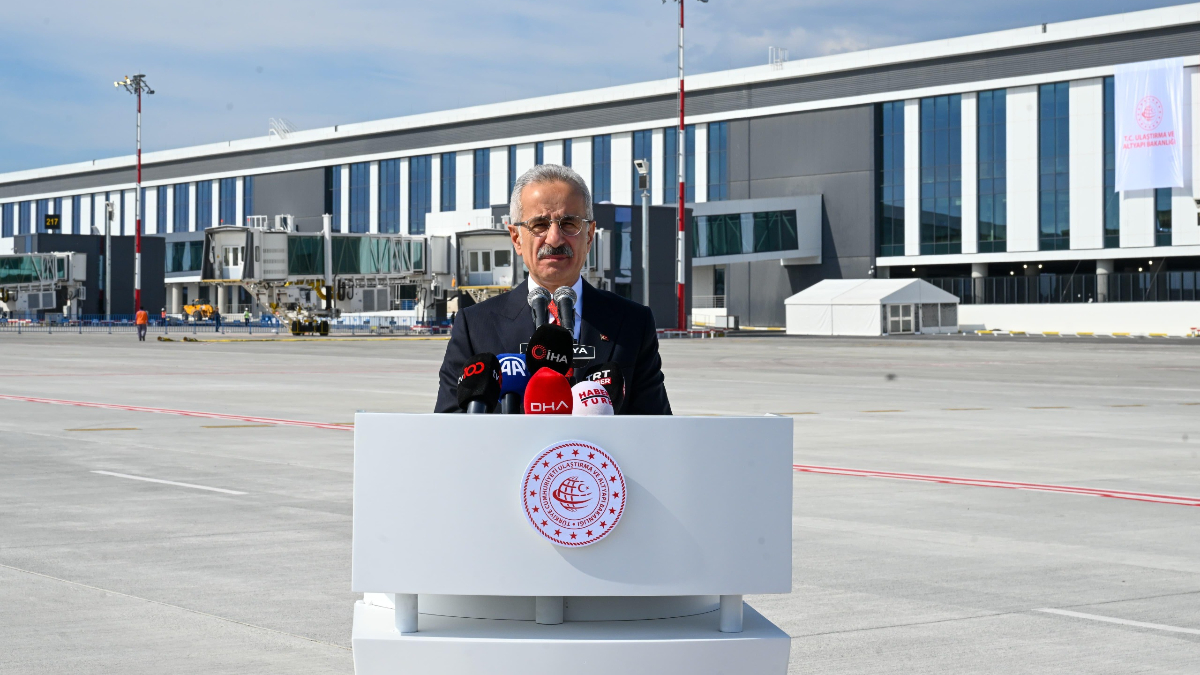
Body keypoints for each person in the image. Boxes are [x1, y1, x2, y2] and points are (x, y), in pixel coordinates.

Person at [435, 164, 671, 415]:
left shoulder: (633, 323)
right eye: (539, 224)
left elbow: (656, 426)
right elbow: (449, 426)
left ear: (589, 235)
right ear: (516, 238)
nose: (555, 238)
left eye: (569, 223)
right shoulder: (475, 326)